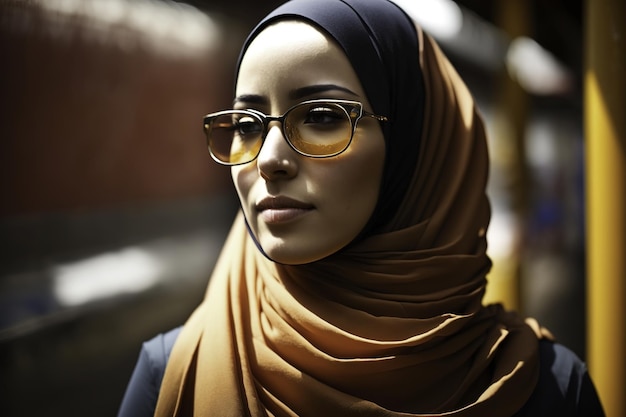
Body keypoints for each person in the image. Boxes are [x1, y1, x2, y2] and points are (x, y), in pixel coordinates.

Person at [118, 0, 605, 416]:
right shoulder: (173, 374)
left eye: (324, 117)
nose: (267, 159)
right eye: (247, 125)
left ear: (414, 147)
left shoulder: (550, 391)